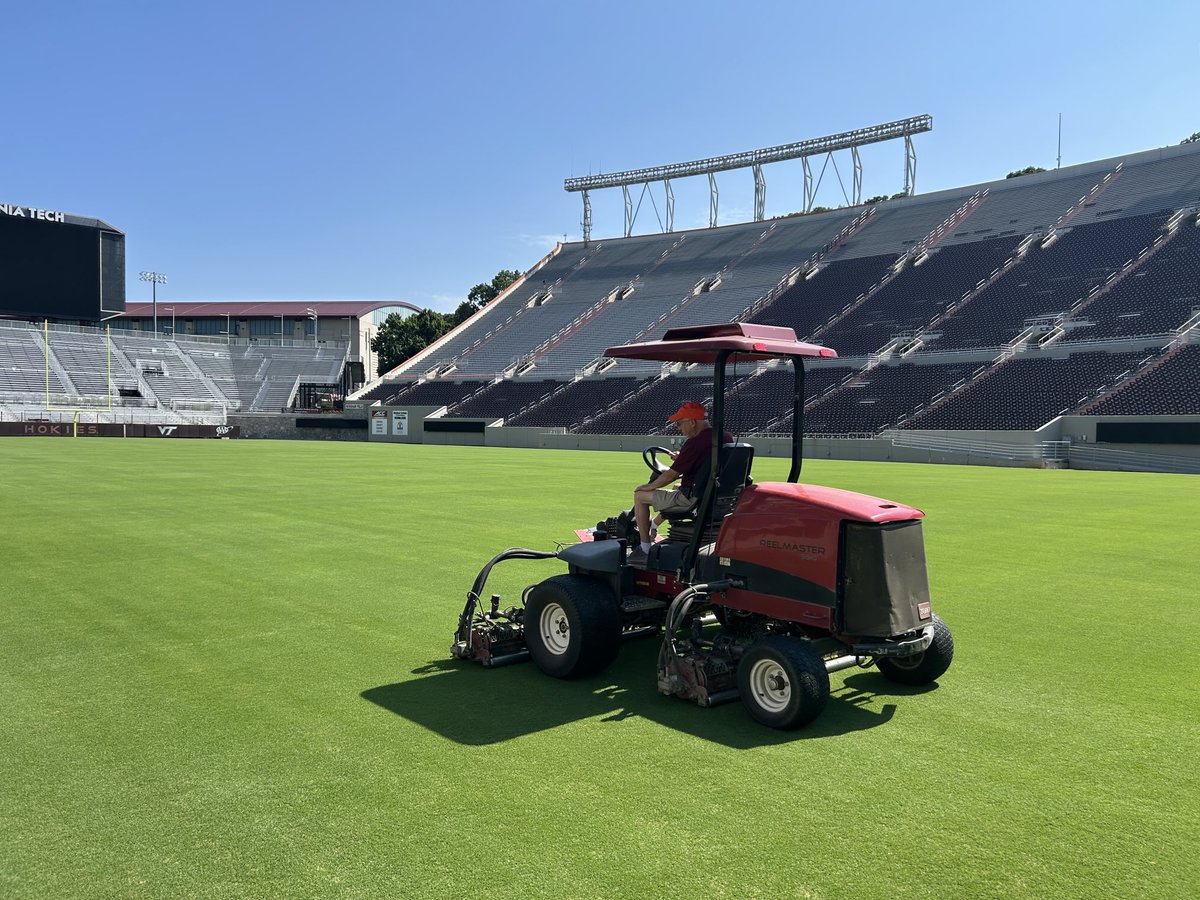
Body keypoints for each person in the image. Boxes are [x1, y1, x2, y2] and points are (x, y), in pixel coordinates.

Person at [630, 401, 732, 563]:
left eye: (679, 424)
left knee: (640, 495)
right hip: (716, 495)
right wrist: (681, 458)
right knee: (676, 487)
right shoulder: (725, 436)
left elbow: (670, 475)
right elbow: (705, 463)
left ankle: (644, 548)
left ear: (692, 422)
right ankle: (654, 525)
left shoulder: (694, 443)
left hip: (694, 498)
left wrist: (649, 486)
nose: (678, 428)